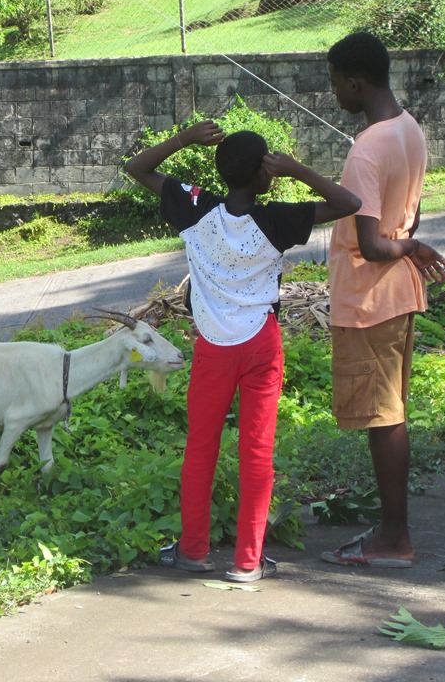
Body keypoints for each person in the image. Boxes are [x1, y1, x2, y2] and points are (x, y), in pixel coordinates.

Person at [125, 122, 361, 582]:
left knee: (201, 447)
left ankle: (193, 551)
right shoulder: (276, 219)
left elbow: (136, 167)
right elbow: (349, 204)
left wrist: (183, 140)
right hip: (260, 344)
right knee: (257, 450)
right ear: (263, 175)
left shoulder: (195, 206)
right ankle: (248, 562)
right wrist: (297, 169)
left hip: (212, 345)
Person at [316, 31, 445, 568]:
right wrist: (409, 239)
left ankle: (394, 537)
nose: (335, 96)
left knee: (383, 417)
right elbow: (410, 214)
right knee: (388, 413)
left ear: (355, 81)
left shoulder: (367, 148)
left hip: (370, 299)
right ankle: (391, 528)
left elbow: (373, 245)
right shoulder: (409, 128)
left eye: (335, 84)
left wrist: (409, 245)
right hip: (399, 295)